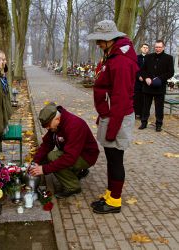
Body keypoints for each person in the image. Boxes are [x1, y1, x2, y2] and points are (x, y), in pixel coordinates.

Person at [87, 20, 138, 213]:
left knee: (116, 159)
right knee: (110, 158)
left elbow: (121, 99)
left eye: (100, 40)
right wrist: (103, 116)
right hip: (111, 116)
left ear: (111, 39)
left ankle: (115, 201)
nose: (98, 44)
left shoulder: (122, 62)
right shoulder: (112, 55)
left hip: (119, 118)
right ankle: (110, 194)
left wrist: (113, 127)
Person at [29, 103, 99, 199]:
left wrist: (44, 169)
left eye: (48, 126)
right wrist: (35, 161)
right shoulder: (56, 124)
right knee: (47, 157)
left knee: (52, 157)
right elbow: (46, 145)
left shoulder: (74, 125)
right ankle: (77, 172)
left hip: (86, 157)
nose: (47, 128)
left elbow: (69, 158)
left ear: (57, 119)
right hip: (75, 153)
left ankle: (73, 187)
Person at [138, 40, 174, 132]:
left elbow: (171, 72)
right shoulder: (148, 57)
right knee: (146, 106)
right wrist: (146, 78)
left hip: (160, 87)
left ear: (163, 47)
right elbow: (142, 70)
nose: (158, 49)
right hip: (148, 86)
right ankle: (144, 122)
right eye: (156, 47)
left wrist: (160, 78)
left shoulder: (169, 58)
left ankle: (158, 124)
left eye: (159, 47)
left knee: (159, 107)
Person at [134, 43, 149, 118]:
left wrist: (146, 77)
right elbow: (135, 69)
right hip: (137, 82)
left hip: (146, 82)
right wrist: (138, 76)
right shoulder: (136, 58)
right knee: (137, 98)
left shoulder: (150, 58)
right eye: (144, 47)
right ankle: (136, 113)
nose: (145, 49)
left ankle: (143, 114)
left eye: (146, 48)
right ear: (141, 48)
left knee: (144, 99)